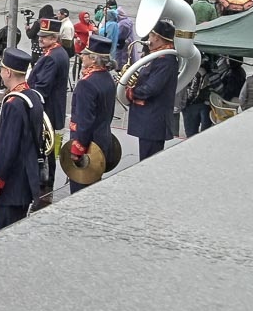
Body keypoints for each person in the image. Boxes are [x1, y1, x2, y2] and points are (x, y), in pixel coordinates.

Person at [0, 49, 42, 230]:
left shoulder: (13, 103)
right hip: (26, 179)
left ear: (8, 72)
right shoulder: (33, 96)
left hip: (12, 185)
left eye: (2, 69)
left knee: (4, 234)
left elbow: (6, 147)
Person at [66, 35, 117, 193]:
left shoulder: (86, 83)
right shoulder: (107, 78)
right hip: (102, 141)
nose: (81, 56)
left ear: (94, 59)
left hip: (87, 148)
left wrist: (77, 150)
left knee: (79, 191)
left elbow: (84, 121)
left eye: (85, 54)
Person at [126, 19, 180, 161]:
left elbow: (151, 88)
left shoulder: (165, 60)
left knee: (147, 160)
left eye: (150, 35)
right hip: (149, 120)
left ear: (157, 37)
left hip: (153, 121)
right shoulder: (158, 57)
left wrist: (131, 92)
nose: (148, 39)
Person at [27, 18, 69, 188]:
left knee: (44, 145)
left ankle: (44, 178)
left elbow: (42, 87)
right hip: (53, 107)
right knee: (47, 146)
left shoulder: (51, 58)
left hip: (47, 108)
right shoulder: (60, 53)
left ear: (54, 39)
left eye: (44, 37)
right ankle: (47, 176)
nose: (40, 39)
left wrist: (27, 94)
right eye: (40, 36)